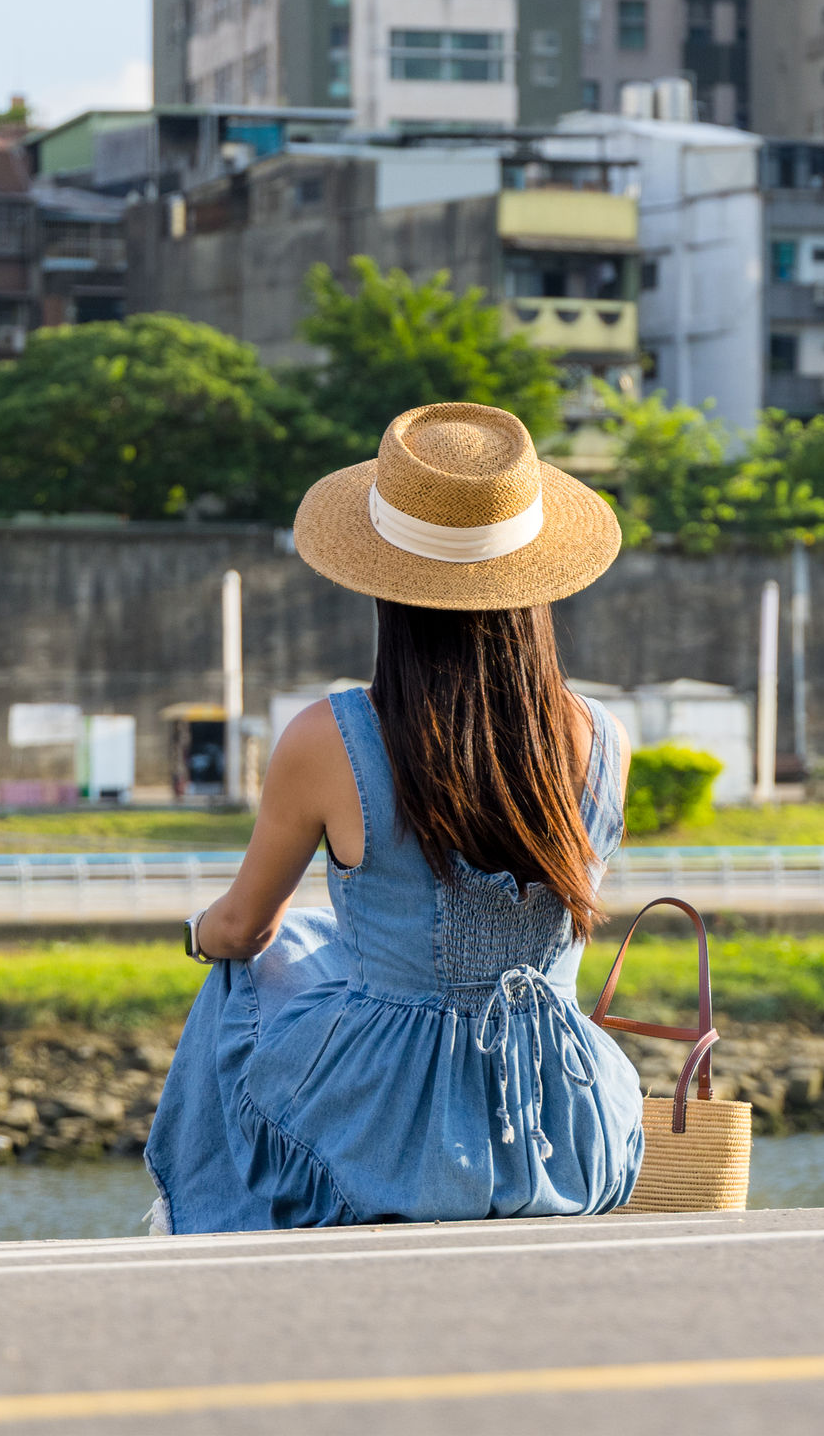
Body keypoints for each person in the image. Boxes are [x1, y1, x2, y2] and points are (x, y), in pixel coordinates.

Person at [144, 402, 644, 1231]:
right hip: (572, 1131)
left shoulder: (329, 738)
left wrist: (197, 933)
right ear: (535, 581)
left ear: (384, 583)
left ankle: (198, 1228)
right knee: (312, 942)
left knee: (247, 974)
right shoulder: (606, 737)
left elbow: (243, 927)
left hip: (396, 1139)